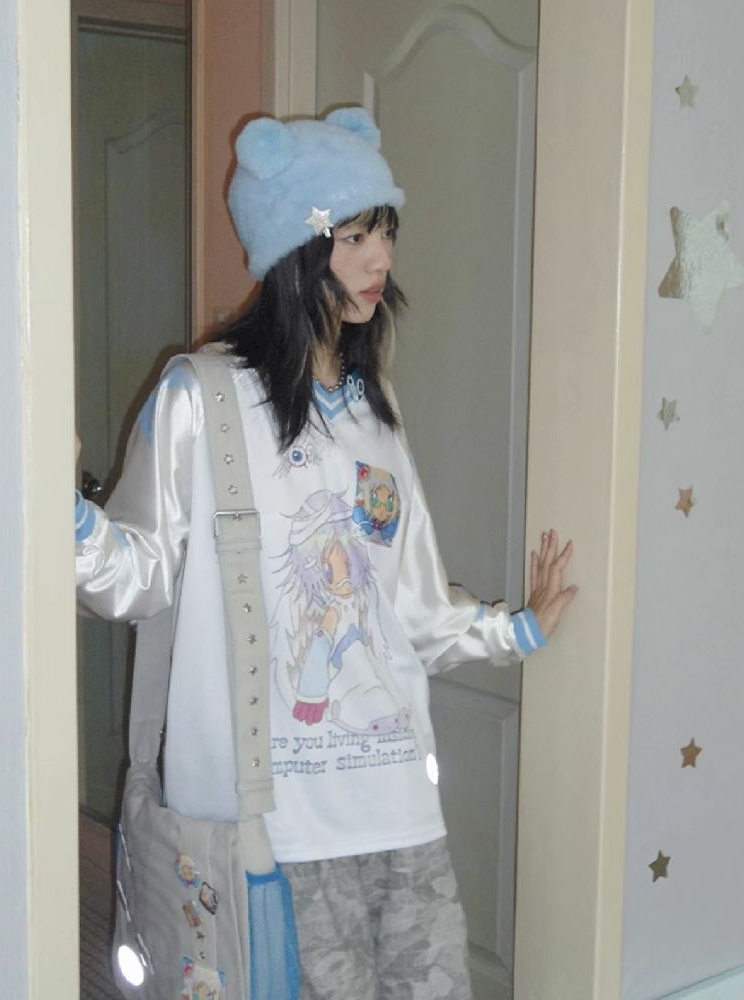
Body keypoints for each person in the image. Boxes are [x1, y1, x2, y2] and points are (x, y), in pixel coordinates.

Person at [75, 107, 576, 1000]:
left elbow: (409, 604)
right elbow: (136, 579)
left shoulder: (377, 408)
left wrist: (515, 631)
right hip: (276, 825)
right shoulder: (202, 397)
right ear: (294, 250)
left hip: (399, 805)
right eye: (353, 237)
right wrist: (63, 518)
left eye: (385, 233)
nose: (380, 260)